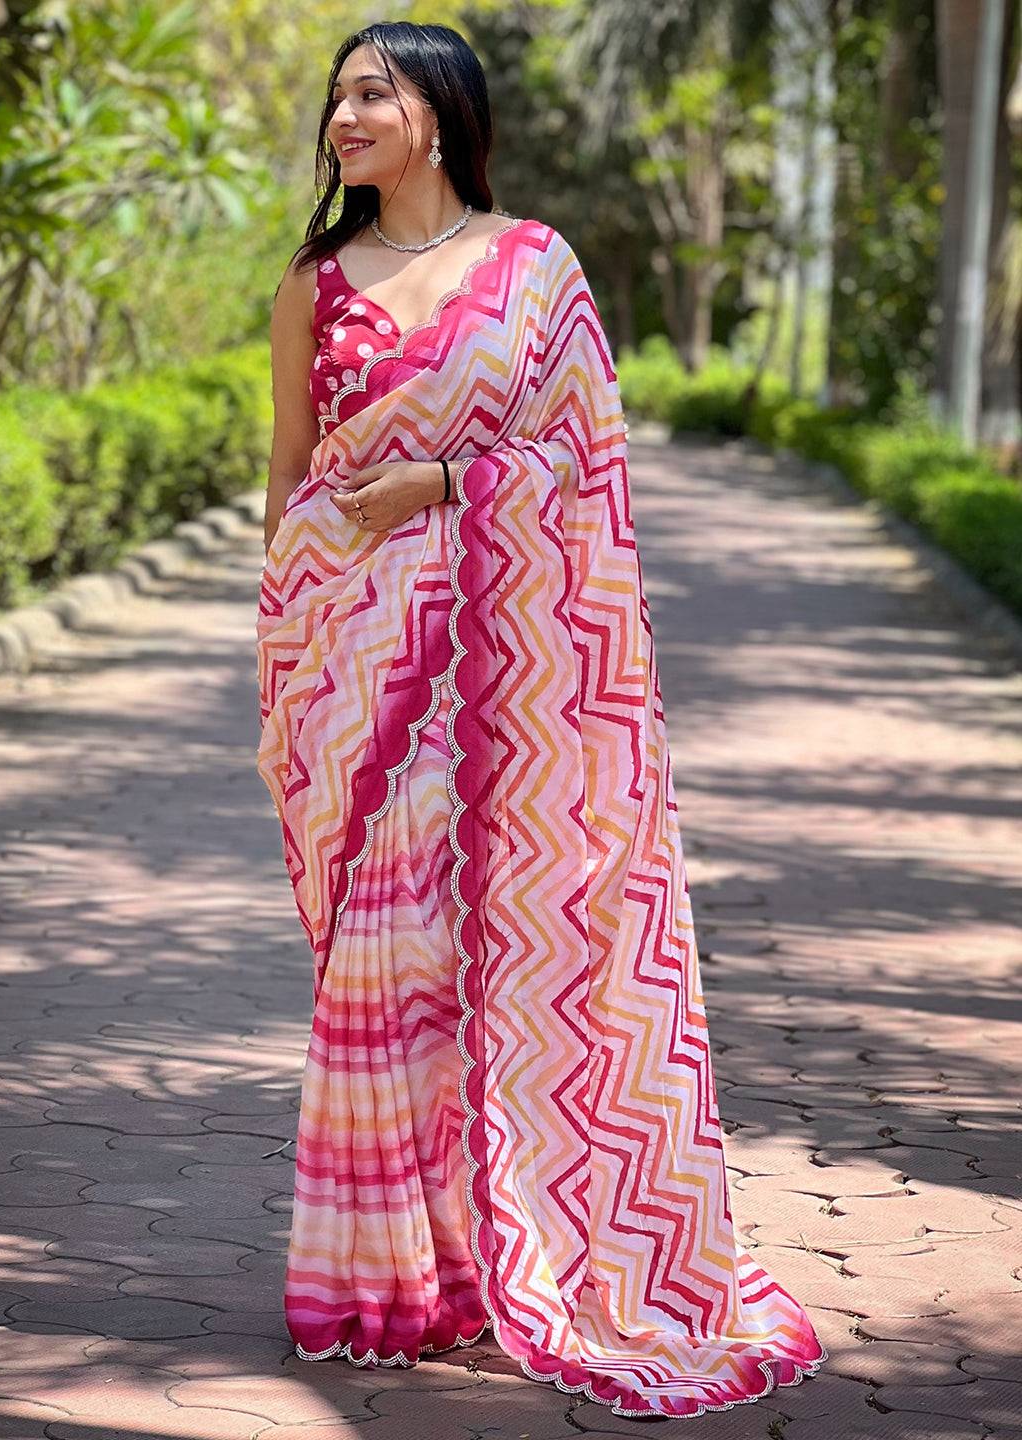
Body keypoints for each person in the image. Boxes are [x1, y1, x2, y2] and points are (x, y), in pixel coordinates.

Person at [255, 19, 826, 1422]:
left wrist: (451, 482)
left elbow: (587, 459)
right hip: (354, 662)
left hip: (507, 674)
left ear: (439, 113)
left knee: (476, 947)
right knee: (385, 955)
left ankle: (532, 1246)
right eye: (336, 97)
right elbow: (289, 476)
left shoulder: (534, 268)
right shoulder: (313, 285)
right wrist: (291, 646)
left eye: (372, 93)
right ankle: (396, 1281)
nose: (344, 117)